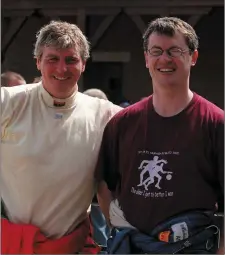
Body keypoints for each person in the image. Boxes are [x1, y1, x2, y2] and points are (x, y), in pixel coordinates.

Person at [95, 17, 224, 254]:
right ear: (146, 58)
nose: (165, 59)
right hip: (132, 247)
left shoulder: (215, 123)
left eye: (175, 50)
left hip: (192, 247)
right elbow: (105, 182)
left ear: (193, 57)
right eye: (156, 51)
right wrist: (118, 225)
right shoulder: (123, 123)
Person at [1, 20, 121, 254]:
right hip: (11, 245)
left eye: (71, 59)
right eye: (52, 59)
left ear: (84, 64)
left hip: (72, 247)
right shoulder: (8, 102)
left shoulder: (105, 113)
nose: (61, 69)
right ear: (38, 62)